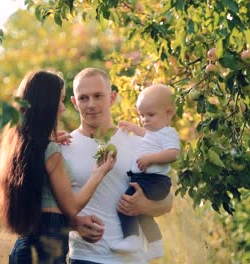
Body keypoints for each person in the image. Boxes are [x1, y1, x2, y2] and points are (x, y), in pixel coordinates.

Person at [0, 70, 116, 264]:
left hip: (23, 249)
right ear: (47, 105)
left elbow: (48, 211)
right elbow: (71, 207)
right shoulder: (51, 150)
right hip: (45, 252)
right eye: (60, 100)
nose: (63, 108)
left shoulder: (20, 146)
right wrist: (99, 173)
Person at [61, 68, 173, 263]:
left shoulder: (139, 144)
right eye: (83, 98)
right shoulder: (63, 147)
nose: (91, 104)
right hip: (86, 257)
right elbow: (46, 209)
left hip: (132, 259)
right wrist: (73, 224)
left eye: (98, 96)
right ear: (74, 102)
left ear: (112, 97)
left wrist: (145, 205)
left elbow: (167, 200)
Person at [111, 84, 180, 260]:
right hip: (147, 179)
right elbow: (144, 133)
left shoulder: (168, 133)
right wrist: (132, 127)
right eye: (142, 115)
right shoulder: (154, 133)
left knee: (125, 205)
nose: (145, 120)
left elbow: (173, 153)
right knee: (143, 214)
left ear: (169, 113)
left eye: (150, 115)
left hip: (153, 181)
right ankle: (156, 246)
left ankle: (132, 238)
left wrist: (150, 159)